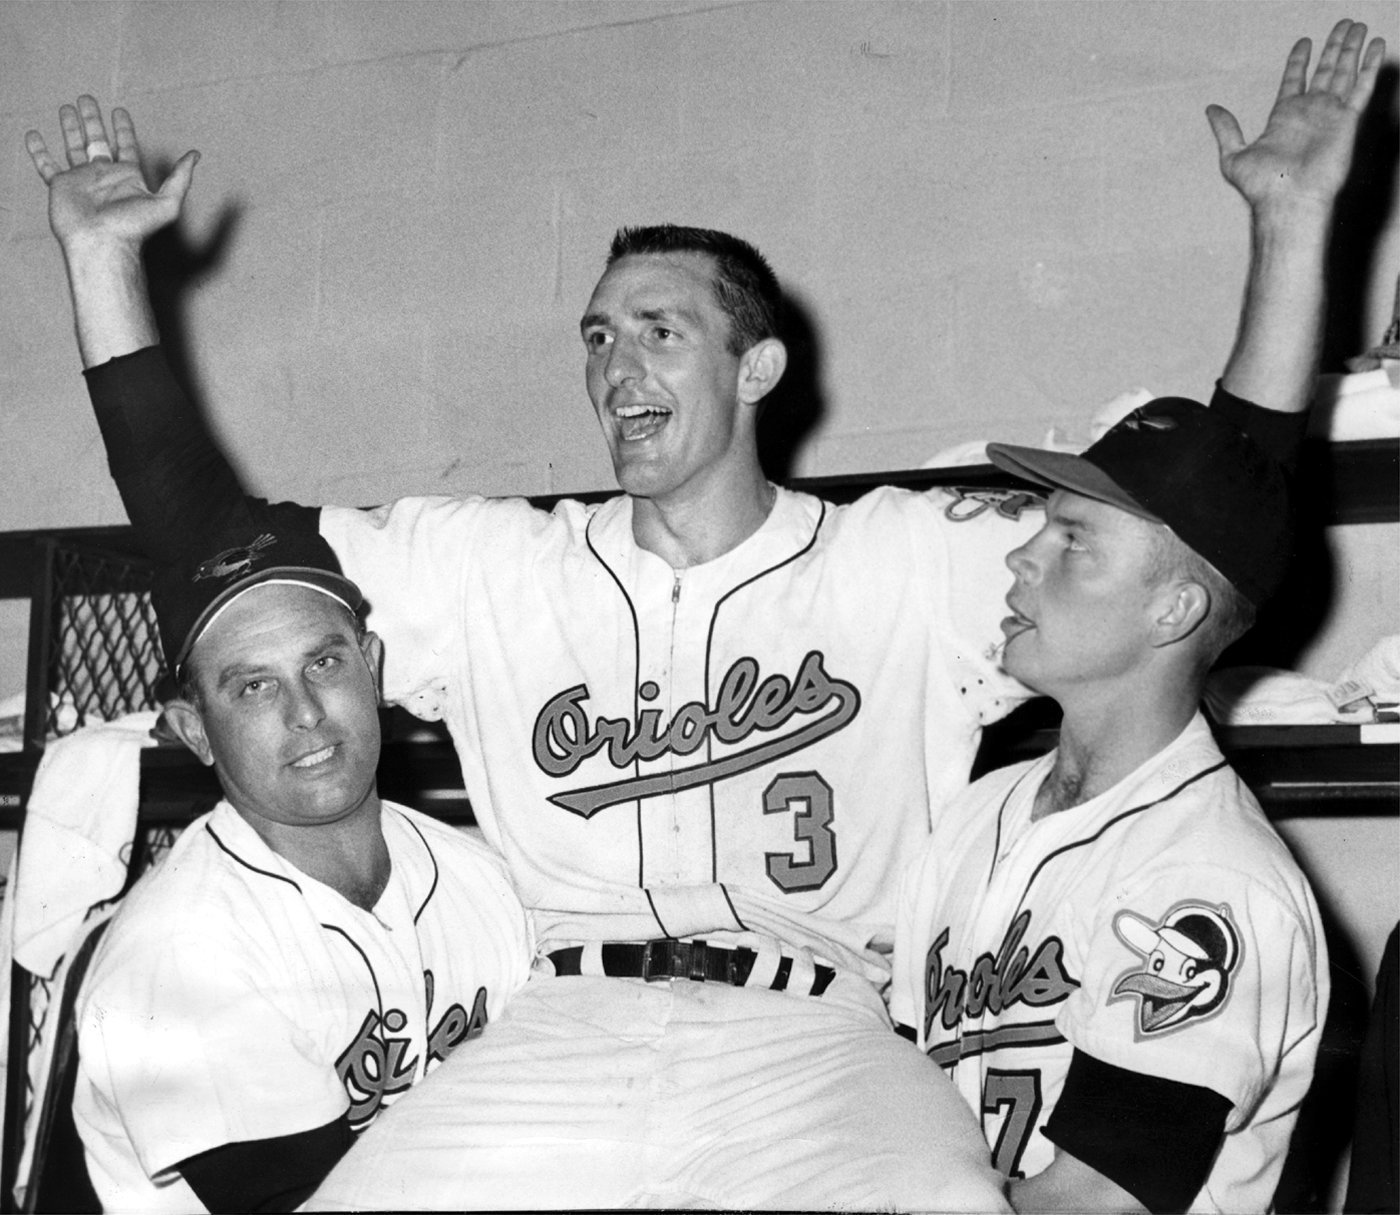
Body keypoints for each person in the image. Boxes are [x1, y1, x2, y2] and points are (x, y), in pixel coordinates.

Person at [26, 19, 1383, 1210]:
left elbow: (1197, 532)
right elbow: (219, 550)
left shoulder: (905, 555)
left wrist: (1285, 233)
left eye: (661, 329)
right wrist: (102, 272)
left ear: (759, 365)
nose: (616, 362)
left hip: (825, 1039)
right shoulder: (489, 565)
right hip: (558, 1025)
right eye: (598, 336)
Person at [891, 396, 1329, 1213]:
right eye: (1039, 526)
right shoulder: (979, 811)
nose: (1021, 556)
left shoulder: (1211, 874)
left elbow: (1094, 1199)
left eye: (1073, 541)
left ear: (1174, 609)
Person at [71, 526, 533, 1213]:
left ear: (372, 668)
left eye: (323, 663)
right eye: (255, 686)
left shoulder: (479, 878)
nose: (307, 712)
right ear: (195, 731)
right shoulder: (176, 960)